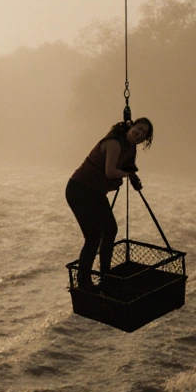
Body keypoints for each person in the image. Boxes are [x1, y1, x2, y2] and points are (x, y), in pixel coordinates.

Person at [66, 117, 154, 292]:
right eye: (139, 128)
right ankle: (83, 281)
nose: (140, 134)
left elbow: (128, 168)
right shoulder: (114, 143)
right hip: (79, 190)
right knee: (93, 236)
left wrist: (133, 177)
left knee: (110, 229)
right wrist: (128, 176)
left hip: (95, 192)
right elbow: (110, 171)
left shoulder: (131, 148)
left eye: (144, 134)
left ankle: (106, 274)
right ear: (131, 126)